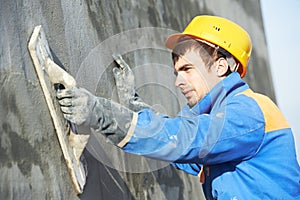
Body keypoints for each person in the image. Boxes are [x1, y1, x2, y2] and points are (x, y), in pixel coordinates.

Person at [56, 15, 300, 199]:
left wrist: (101, 114)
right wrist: (134, 105)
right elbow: (180, 151)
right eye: (177, 72)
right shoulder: (222, 119)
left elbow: (184, 140)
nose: (178, 82)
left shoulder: (248, 111)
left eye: (188, 69)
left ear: (221, 66)